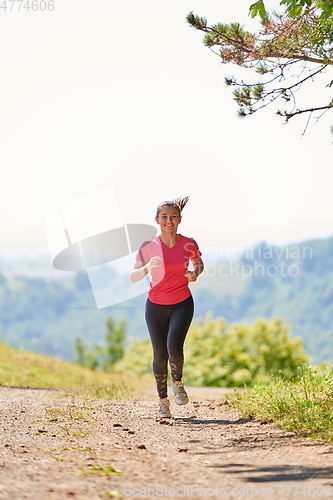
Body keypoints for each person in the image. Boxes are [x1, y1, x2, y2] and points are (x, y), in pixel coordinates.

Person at [130, 196, 204, 418]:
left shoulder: (188, 242)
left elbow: (199, 264)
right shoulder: (148, 246)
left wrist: (195, 273)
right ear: (157, 220)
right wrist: (146, 268)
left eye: (173, 217)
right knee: (160, 355)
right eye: (164, 217)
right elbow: (133, 276)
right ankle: (163, 402)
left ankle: (178, 383)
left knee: (174, 346)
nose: (168, 221)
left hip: (182, 302)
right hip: (155, 306)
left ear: (179, 219)